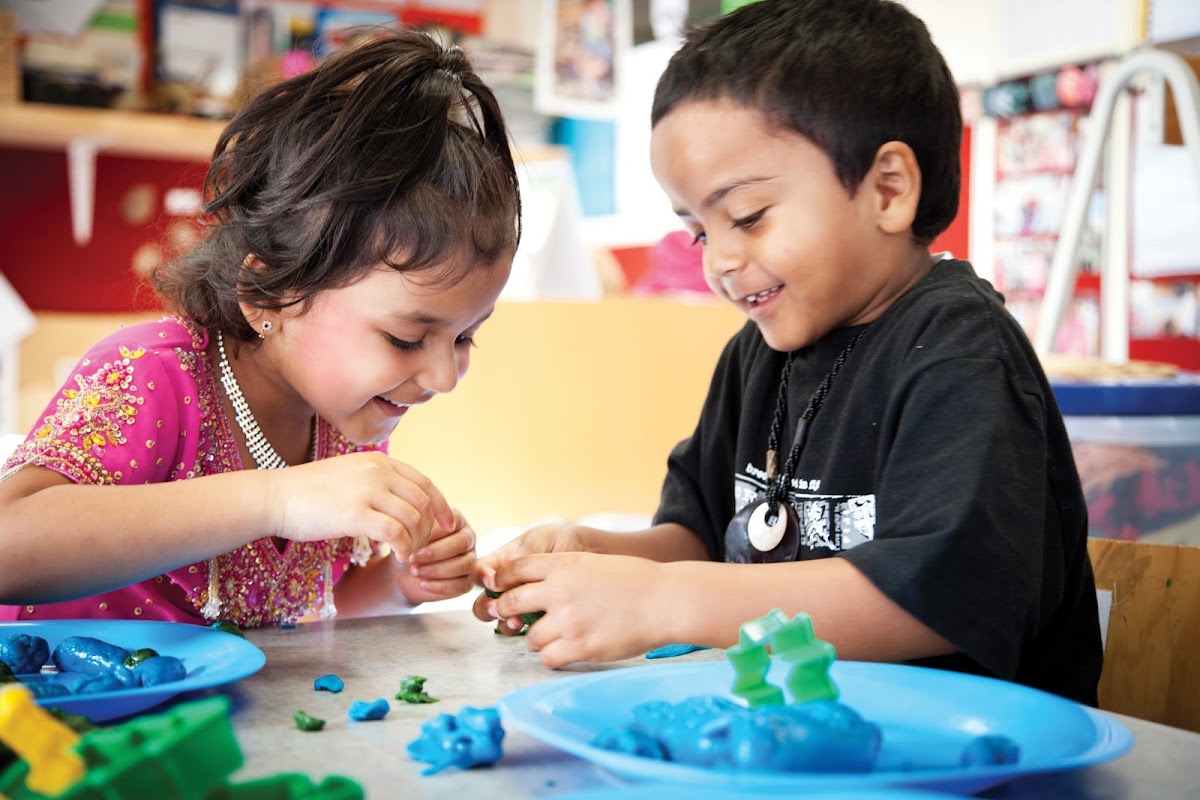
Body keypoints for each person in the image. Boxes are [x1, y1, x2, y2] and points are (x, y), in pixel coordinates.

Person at [474, 0, 1102, 706]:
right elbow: (700, 540)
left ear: (888, 189)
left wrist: (661, 600)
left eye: (747, 217)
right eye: (699, 232)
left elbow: (937, 599)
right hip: (793, 734)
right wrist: (594, 556)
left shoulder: (960, 350)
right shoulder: (758, 355)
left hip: (969, 744)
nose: (719, 261)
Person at [0, 28, 522, 628]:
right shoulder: (152, 378)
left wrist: (398, 584)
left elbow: (296, 611)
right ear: (267, 291)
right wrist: (277, 499)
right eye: (405, 339)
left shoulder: (346, 419)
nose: (444, 376)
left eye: (465, 336)